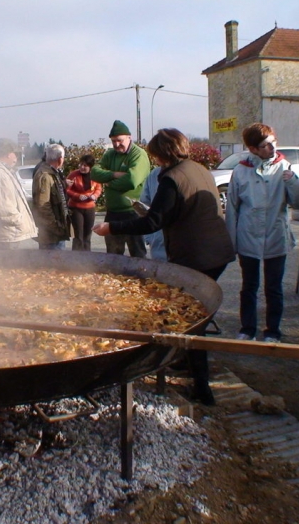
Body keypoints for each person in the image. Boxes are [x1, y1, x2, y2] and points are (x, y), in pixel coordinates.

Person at [92, 128, 235, 405]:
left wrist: (112, 227)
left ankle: (203, 389)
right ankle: (186, 364)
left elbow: (152, 221)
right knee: (195, 317)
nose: (154, 159)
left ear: (162, 152)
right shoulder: (199, 168)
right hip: (218, 250)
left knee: (194, 323)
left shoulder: (171, 178)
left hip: (197, 254)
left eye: (155, 154)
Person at [226, 123, 299, 342]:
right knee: (249, 286)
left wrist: (294, 183)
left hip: (275, 234)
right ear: (252, 149)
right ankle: (247, 328)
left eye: (273, 142)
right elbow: (232, 207)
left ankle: (273, 330)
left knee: (274, 287)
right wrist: (231, 242)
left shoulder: (284, 167)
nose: (272, 148)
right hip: (248, 236)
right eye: (265, 145)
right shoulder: (241, 170)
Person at [91, 120, 151, 257]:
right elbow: (94, 173)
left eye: (119, 140)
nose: (116, 144)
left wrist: (109, 183)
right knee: (113, 254)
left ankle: (141, 278)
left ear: (129, 137)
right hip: (112, 213)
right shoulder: (110, 154)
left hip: (133, 213)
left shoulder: (138, 155)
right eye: (113, 141)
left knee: (137, 254)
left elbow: (131, 180)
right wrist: (115, 174)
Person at [0, 138, 37, 250]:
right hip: (6, 234)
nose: (16, 158)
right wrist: (19, 220)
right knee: (5, 265)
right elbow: (1, 206)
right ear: (8, 154)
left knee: (2, 265)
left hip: (4, 233)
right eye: (16, 154)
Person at [31, 144, 70, 250]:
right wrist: (56, 227)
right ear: (60, 159)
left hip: (54, 233)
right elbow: (43, 206)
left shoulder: (52, 172)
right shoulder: (45, 175)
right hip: (50, 236)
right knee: (54, 264)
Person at [66, 154, 102, 251]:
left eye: (85, 165)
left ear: (90, 167)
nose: (82, 167)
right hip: (76, 207)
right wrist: (77, 196)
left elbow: (98, 187)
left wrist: (95, 195)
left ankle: (87, 258)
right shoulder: (74, 174)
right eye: (81, 164)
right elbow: (67, 189)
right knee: (79, 235)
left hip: (90, 207)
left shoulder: (95, 175)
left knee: (87, 235)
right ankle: (76, 258)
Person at [139, 166, 166, 261]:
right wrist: (149, 238)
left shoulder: (185, 174)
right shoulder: (154, 174)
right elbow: (143, 206)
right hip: (158, 248)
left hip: (183, 251)